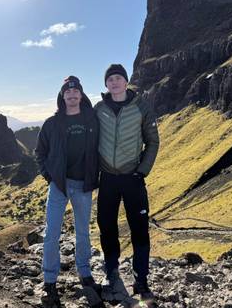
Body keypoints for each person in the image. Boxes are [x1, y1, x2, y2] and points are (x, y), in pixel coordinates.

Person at [94, 64, 160, 300]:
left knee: (140, 229)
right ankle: (111, 272)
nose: (114, 82)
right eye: (110, 79)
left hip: (133, 178)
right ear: (106, 84)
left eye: (118, 78)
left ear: (126, 81)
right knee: (107, 226)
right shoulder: (99, 108)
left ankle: (141, 280)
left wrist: (142, 171)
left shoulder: (141, 106)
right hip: (108, 179)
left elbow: (153, 141)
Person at [35, 75, 101, 306]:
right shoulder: (52, 124)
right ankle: (49, 281)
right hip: (59, 186)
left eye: (75, 92)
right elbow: (40, 152)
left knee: (83, 232)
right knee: (52, 233)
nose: (72, 95)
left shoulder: (92, 119)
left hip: (84, 185)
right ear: (62, 96)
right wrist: (48, 176)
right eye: (67, 92)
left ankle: (85, 274)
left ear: (81, 95)